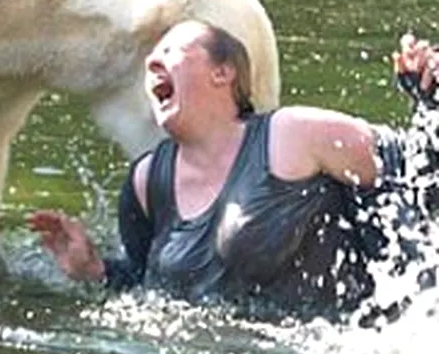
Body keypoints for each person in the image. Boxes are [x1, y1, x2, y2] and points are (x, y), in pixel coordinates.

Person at [28, 20, 439, 319]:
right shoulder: (146, 181)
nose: (152, 62)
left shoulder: (294, 135)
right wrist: (95, 271)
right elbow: (145, 289)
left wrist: (429, 101)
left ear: (223, 72)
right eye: (150, 59)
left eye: (170, 51)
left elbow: (422, 176)